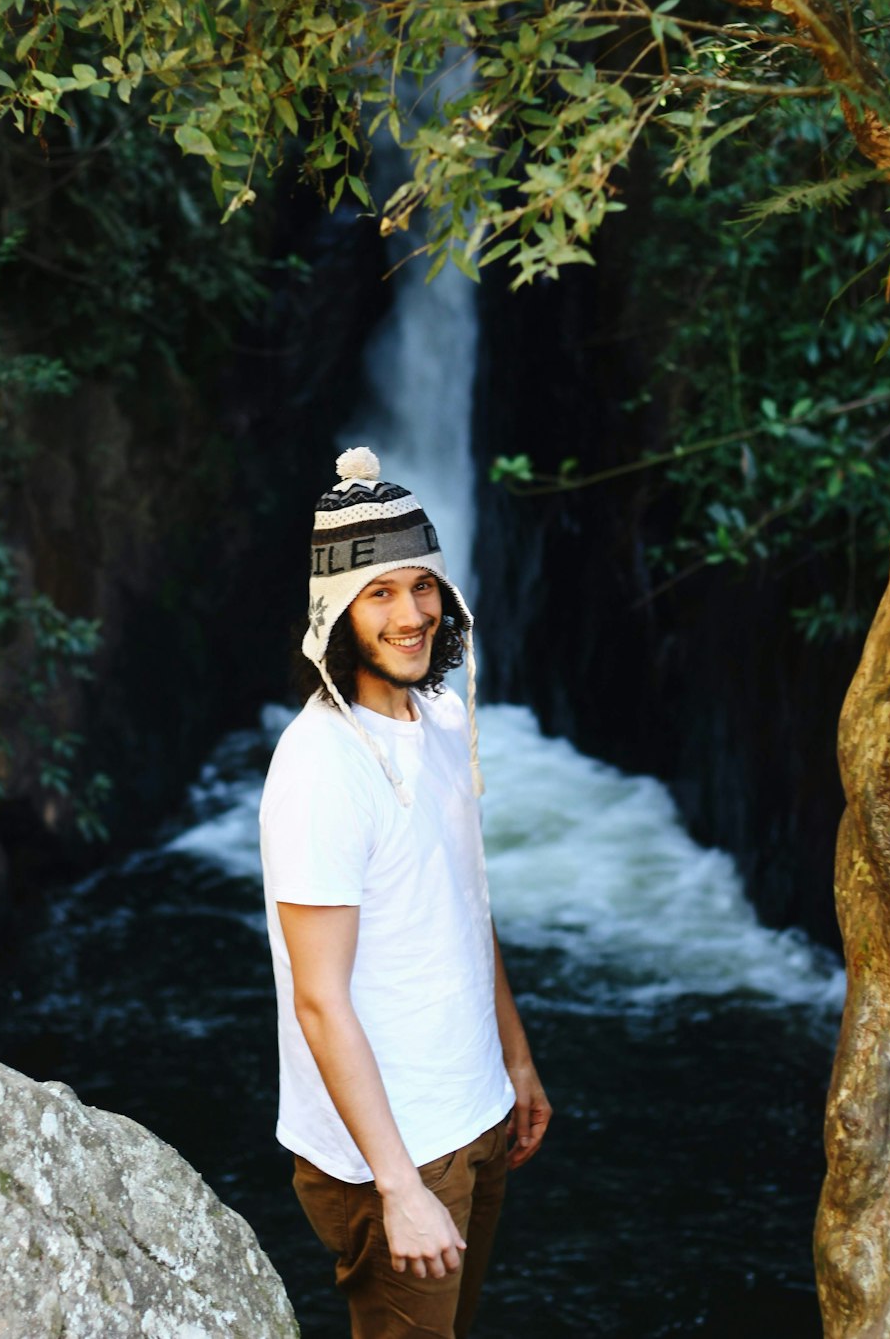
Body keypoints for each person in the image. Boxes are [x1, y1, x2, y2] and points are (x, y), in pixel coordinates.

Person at [260, 446, 551, 1339]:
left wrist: (516, 1058)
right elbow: (318, 1001)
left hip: (474, 1113)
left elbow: (467, 908)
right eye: (379, 593)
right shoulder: (320, 768)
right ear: (335, 612)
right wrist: (398, 1188)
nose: (411, 613)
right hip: (392, 1154)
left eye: (420, 585)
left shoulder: (443, 721)